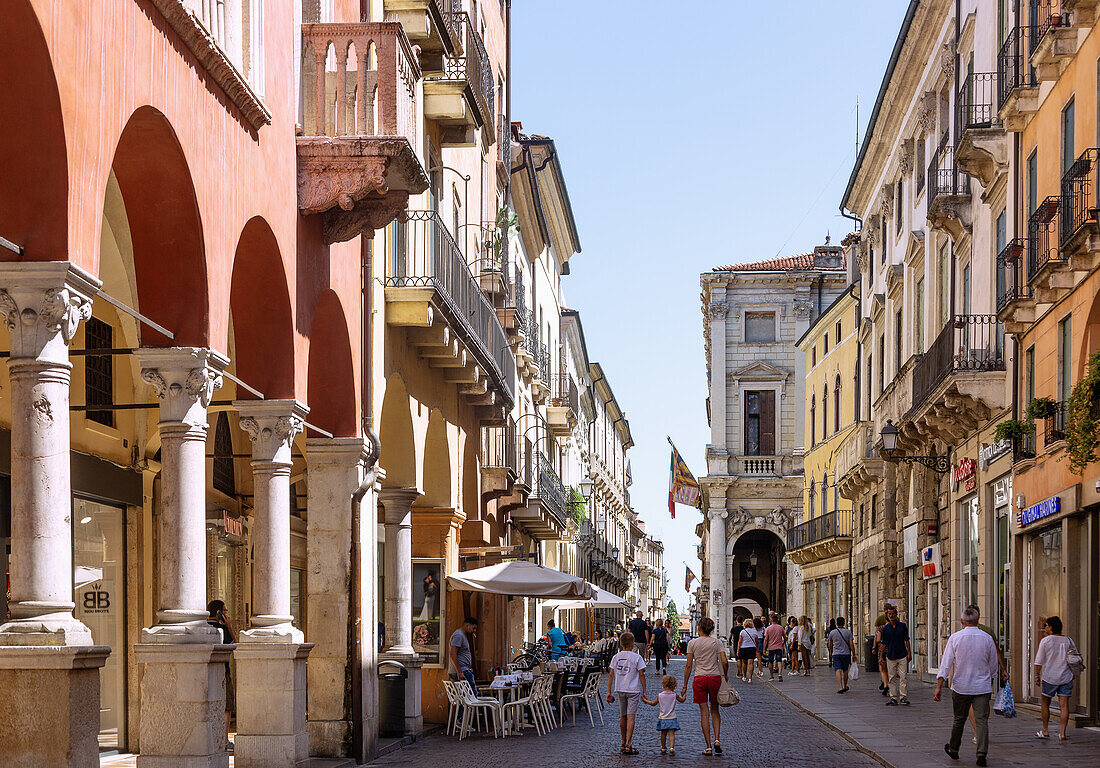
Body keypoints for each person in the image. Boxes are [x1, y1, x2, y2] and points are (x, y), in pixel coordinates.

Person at [934, 605, 999, 767]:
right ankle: (982, 753)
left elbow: (946, 664)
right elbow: (993, 665)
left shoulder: (955, 638)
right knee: (982, 720)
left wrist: (939, 686)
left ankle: (954, 748)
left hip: (961, 686)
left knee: (959, 719)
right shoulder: (987, 638)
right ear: (978, 620)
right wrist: (989, 678)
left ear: (962, 621)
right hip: (982, 687)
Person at [682, 617, 729, 757]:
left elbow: (689, 665)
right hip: (714, 677)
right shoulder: (717, 642)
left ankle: (708, 746)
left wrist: (685, 685)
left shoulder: (692, 643)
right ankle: (717, 739)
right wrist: (725, 675)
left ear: (699, 628)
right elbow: (725, 661)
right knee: (715, 709)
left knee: (704, 712)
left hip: (700, 678)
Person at [1034, 615, 1079, 741]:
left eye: (1046, 626)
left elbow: (1039, 661)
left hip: (1050, 677)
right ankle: (1063, 733)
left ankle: (1045, 730)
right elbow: (1074, 657)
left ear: (1051, 627)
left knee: (1045, 703)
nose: (1045, 628)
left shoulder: (1046, 641)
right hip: (1066, 677)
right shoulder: (1068, 640)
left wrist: (1037, 675)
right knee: (1064, 705)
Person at [607, 631, 647, 756]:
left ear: (621, 644)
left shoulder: (616, 657)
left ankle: (623, 742)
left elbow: (611, 675)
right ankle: (629, 744)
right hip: (633, 689)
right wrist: (644, 691)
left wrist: (608, 691)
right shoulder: (637, 657)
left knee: (622, 716)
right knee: (631, 717)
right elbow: (641, 674)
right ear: (633, 644)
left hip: (620, 689)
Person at [208, 600, 235, 751]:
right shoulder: (222, 630)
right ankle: (224, 741)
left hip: (207, 674)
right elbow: (234, 645)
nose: (226, 614)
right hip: (223, 673)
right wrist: (229, 627)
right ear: (218, 613)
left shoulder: (204, 628)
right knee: (227, 708)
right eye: (224, 611)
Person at [643, 674, 686, 756]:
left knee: (663, 733)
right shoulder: (674, 695)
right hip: (672, 717)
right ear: (674, 685)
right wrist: (684, 695)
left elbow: (653, 703)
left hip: (663, 717)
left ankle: (663, 747)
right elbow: (682, 700)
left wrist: (645, 700)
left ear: (663, 684)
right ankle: (672, 748)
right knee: (671, 733)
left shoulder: (660, 695)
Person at [879, 604, 911, 705]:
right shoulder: (885, 629)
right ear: (887, 615)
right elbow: (883, 644)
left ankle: (903, 697)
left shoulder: (902, 626)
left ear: (896, 614)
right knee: (891, 677)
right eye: (889, 614)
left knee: (903, 676)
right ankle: (893, 697)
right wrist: (881, 657)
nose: (891, 616)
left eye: (893, 614)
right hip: (891, 655)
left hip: (902, 654)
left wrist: (909, 652)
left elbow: (907, 640)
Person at [449, 616, 479, 691]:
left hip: (464, 670)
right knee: (472, 697)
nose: (474, 631)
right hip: (462, 672)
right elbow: (453, 655)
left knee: (466, 697)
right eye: (473, 628)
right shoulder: (458, 635)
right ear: (467, 625)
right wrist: (459, 672)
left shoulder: (462, 636)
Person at [828, 616, 855, 694]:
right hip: (846, 654)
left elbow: (830, 644)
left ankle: (840, 687)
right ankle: (845, 686)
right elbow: (851, 644)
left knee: (838, 670)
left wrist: (831, 652)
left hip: (836, 653)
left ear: (837, 623)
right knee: (845, 670)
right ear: (844, 623)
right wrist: (854, 654)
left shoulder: (832, 632)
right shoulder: (848, 632)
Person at [763, 611, 786, 681]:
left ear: (771, 620)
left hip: (771, 647)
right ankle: (779, 674)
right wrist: (783, 642)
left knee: (771, 661)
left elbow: (766, 639)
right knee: (779, 660)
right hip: (779, 647)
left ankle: (772, 676)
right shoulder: (781, 628)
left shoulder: (768, 628)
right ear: (777, 620)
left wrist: (764, 648)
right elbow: (785, 637)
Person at [875, 604, 892, 696]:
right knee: (891, 669)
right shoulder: (896, 626)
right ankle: (889, 685)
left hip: (883, 650)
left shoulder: (881, 628)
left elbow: (878, 640)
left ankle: (885, 684)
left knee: (883, 669)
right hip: (892, 649)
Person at [737, 617, 761, 683]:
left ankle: (744, 676)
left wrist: (738, 650)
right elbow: (757, 641)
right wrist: (756, 648)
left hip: (743, 648)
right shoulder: (754, 631)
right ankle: (750, 678)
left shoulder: (742, 632)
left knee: (744, 663)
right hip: (752, 648)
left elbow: (740, 641)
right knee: (751, 663)